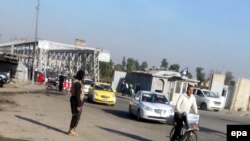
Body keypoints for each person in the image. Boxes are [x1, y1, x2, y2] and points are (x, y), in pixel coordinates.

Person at [68, 70, 85, 136]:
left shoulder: (75, 81)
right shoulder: (77, 83)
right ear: (81, 76)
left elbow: (72, 91)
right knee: (76, 116)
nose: (83, 77)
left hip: (73, 100)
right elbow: (77, 95)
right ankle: (71, 130)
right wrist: (78, 105)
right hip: (76, 101)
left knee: (75, 116)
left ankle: (71, 130)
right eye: (83, 76)